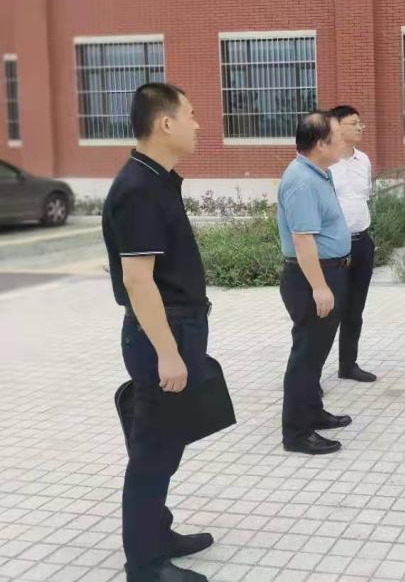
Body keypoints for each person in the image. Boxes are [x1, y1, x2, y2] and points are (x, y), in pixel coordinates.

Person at [102, 83, 213, 582]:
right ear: (165, 123)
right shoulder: (139, 189)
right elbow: (138, 280)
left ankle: (157, 533)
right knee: (152, 453)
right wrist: (168, 352)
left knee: (165, 446)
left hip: (177, 328)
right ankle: (145, 566)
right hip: (160, 335)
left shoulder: (157, 180)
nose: (197, 124)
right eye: (190, 114)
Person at [278, 112, 354, 456]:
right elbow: (303, 240)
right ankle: (296, 433)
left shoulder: (318, 174)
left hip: (326, 272)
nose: (343, 140)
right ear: (321, 144)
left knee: (315, 353)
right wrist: (320, 287)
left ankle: (312, 412)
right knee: (306, 356)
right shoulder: (302, 182)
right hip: (312, 277)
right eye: (337, 135)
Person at [327, 105, 377, 383]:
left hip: (361, 242)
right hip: (333, 248)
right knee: (327, 313)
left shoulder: (364, 160)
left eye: (361, 123)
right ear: (336, 127)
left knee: (354, 310)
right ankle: (310, 376)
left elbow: (364, 197)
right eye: (353, 123)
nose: (359, 127)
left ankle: (348, 365)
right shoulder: (325, 161)